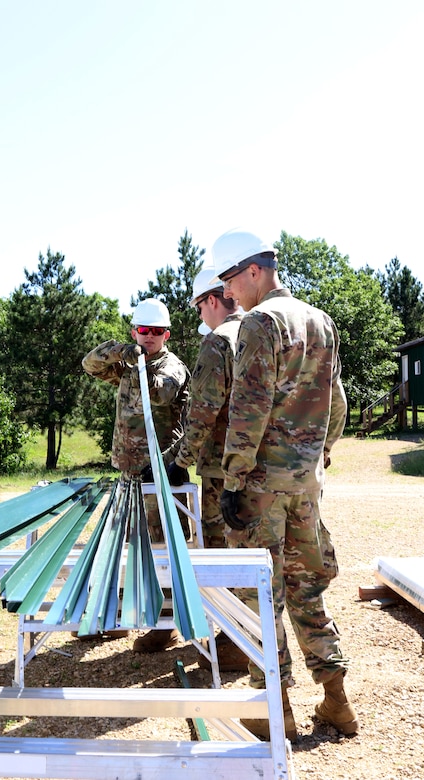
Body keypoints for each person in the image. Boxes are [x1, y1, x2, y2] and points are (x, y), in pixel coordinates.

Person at [210, 227, 358, 742]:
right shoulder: (320, 320)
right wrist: (318, 456)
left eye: (230, 279)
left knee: (259, 596)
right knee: (306, 588)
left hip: (261, 487)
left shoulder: (259, 322)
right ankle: (337, 701)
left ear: (255, 270)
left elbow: (248, 409)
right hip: (306, 484)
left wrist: (232, 481)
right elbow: (336, 402)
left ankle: (277, 712)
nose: (227, 291)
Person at [82, 297, 190, 652]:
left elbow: (161, 393)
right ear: (135, 331)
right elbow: (90, 363)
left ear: (167, 335)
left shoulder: (170, 365)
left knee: (162, 546)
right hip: (128, 469)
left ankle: (167, 622)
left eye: (157, 332)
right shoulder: (128, 361)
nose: (150, 337)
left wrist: (140, 362)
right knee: (128, 544)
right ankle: (122, 616)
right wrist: (122, 352)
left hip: (159, 471)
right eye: (144, 331)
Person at [163, 268, 250, 671]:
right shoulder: (259, 331)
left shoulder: (218, 342)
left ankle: (234, 640)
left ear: (212, 300)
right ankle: (247, 635)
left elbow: (202, 415)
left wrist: (177, 463)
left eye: (199, 307)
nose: (201, 314)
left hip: (221, 468)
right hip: (260, 465)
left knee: (222, 551)